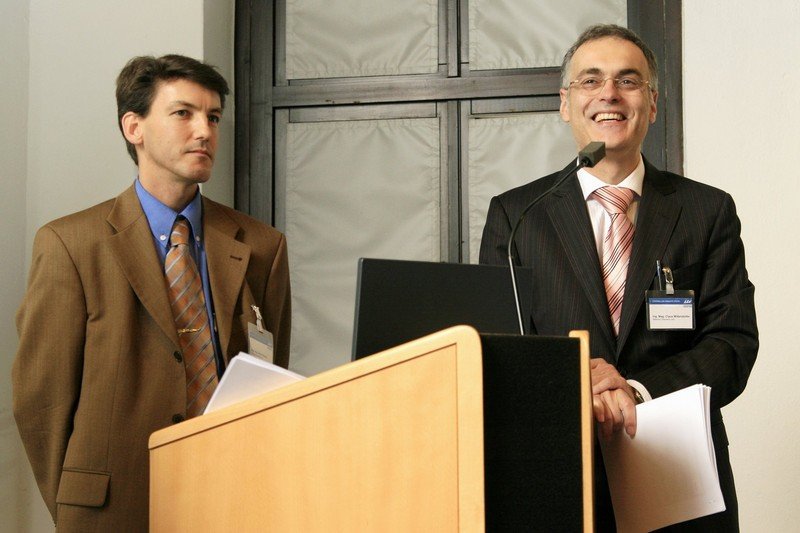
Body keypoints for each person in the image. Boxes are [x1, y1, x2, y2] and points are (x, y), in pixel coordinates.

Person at [479, 24, 757, 531]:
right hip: (559, 478)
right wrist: (577, 384)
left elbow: (733, 343)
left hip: (680, 476)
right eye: (590, 80)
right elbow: (499, 353)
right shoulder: (518, 216)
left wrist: (635, 389)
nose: (609, 93)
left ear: (652, 105)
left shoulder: (706, 210)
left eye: (628, 81)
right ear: (565, 103)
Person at [13, 54, 291, 531]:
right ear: (133, 127)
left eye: (213, 117)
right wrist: (78, 502)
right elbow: (42, 402)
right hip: (113, 509)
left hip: (234, 498)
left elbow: (270, 373)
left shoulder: (262, 245)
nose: (204, 131)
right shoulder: (69, 245)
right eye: (184, 113)